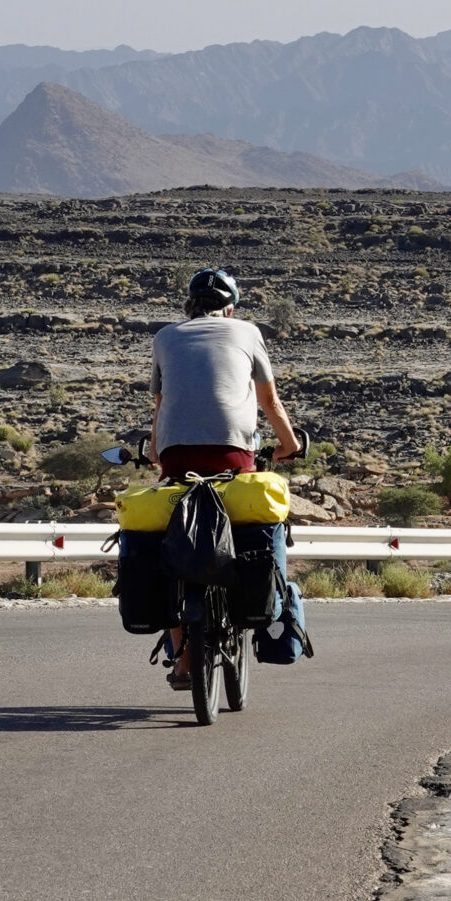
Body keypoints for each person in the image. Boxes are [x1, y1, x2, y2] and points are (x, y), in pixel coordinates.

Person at [149, 267, 299, 686]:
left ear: (189, 307)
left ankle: (181, 662)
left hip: (176, 457)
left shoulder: (164, 337)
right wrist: (289, 446)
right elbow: (269, 401)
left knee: (167, 552)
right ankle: (252, 608)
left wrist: (154, 453)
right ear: (229, 308)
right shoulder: (246, 331)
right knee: (250, 526)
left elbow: (161, 407)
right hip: (234, 455)